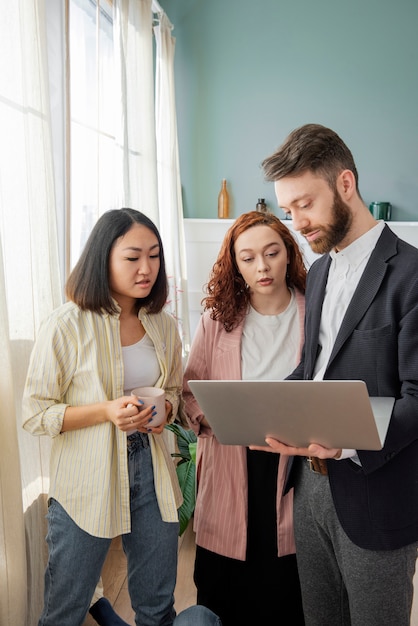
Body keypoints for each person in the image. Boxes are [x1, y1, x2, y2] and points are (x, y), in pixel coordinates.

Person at [254, 123, 418, 626]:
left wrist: (348, 442)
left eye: (305, 204)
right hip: (310, 490)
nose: (297, 222)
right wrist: (262, 405)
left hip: (377, 494)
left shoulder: (411, 275)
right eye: (288, 210)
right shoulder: (321, 271)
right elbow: (313, 371)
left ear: (345, 184)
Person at [22, 208, 184, 626]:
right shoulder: (66, 325)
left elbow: (173, 393)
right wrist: (106, 411)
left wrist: (163, 410)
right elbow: (36, 414)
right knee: (65, 610)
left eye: (154, 256)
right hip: (84, 478)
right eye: (132, 258)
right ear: (103, 258)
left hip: (152, 469)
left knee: (157, 606)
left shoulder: (163, 325)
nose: (146, 268)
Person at [183, 211, 307, 626]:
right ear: (235, 264)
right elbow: (189, 394)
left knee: (286, 589)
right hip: (231, 462)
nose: (262, 267)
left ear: (289, 254)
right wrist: (220, 421)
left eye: (272, 253)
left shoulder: (316, 315)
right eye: (249, 258)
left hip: (296, 468)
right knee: (224, 590)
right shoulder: (217, 321)